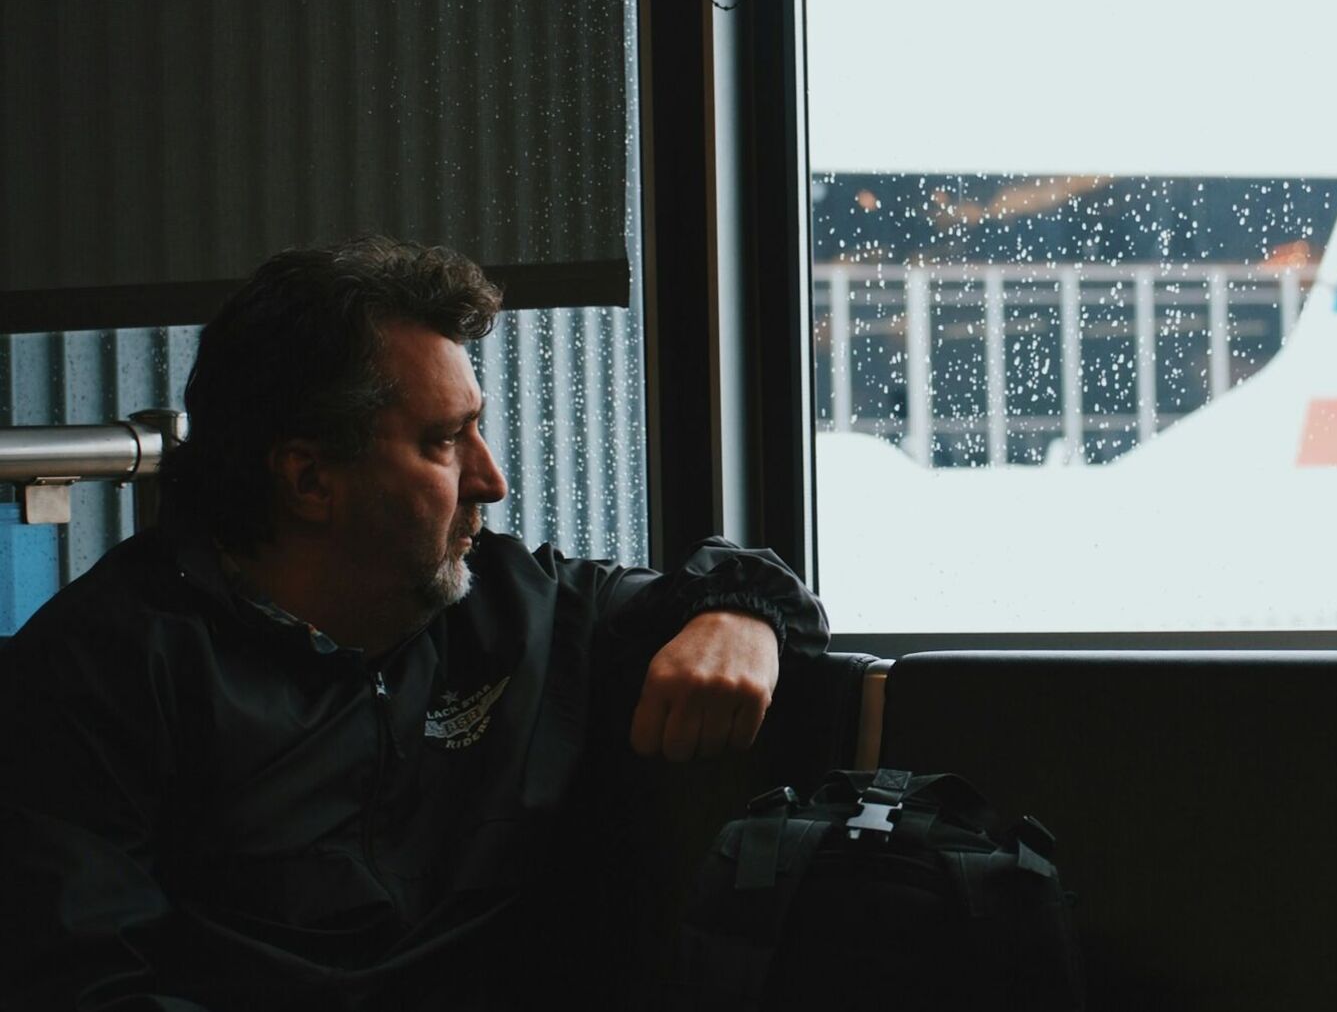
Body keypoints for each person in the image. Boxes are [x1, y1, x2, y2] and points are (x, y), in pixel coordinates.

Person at [0, 236, 830, 1009]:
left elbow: (744, 584)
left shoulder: (511, 604)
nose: (494, 479)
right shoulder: (99, 675)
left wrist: (739, 616)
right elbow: (84, 983)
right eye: (446, 440)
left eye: (480, 428)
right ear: (309, 481)